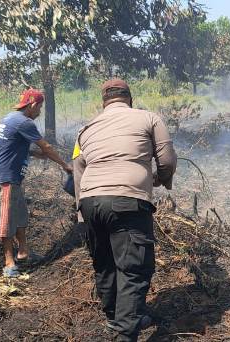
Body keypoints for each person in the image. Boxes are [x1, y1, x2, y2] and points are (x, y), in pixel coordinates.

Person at [72, 79, 177, 341]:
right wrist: (161, 179)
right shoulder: (150, 118)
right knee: (133, 269)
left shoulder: (85, 130)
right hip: (127, 201)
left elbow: (78, 170)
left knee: (105, 264)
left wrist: (80, 212)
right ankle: (123, 334)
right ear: (130, 98)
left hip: (90, 201)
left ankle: (115, 320)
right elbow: (166, 159)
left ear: (103, 102)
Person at [0, 88, 73, 278]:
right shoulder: (24, 122)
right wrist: (65, 165)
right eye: (40, 107)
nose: (40, 112)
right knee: (6, 220)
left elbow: (10, 145)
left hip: (13, 176)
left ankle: (23, 252)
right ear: (33, 105)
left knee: (19, 214)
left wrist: (32, 153)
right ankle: (9, 263)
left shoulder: (11, 118)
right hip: (5, 178)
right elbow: (47, 146)